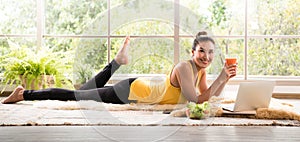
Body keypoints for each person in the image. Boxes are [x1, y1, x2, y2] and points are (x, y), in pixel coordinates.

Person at [1, 31, 237, 104]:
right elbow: (196, 100)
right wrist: (221, 78)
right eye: (202, 51)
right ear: (192, 52)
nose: (206, 56)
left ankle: (116, 63)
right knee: (76, 96)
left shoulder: (201, 70)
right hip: (128, 91)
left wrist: (224, 79)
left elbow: (207, 96)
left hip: (138, 86)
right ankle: (24, 93)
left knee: (84, 90)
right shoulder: (185, 68)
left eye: (210, 52)